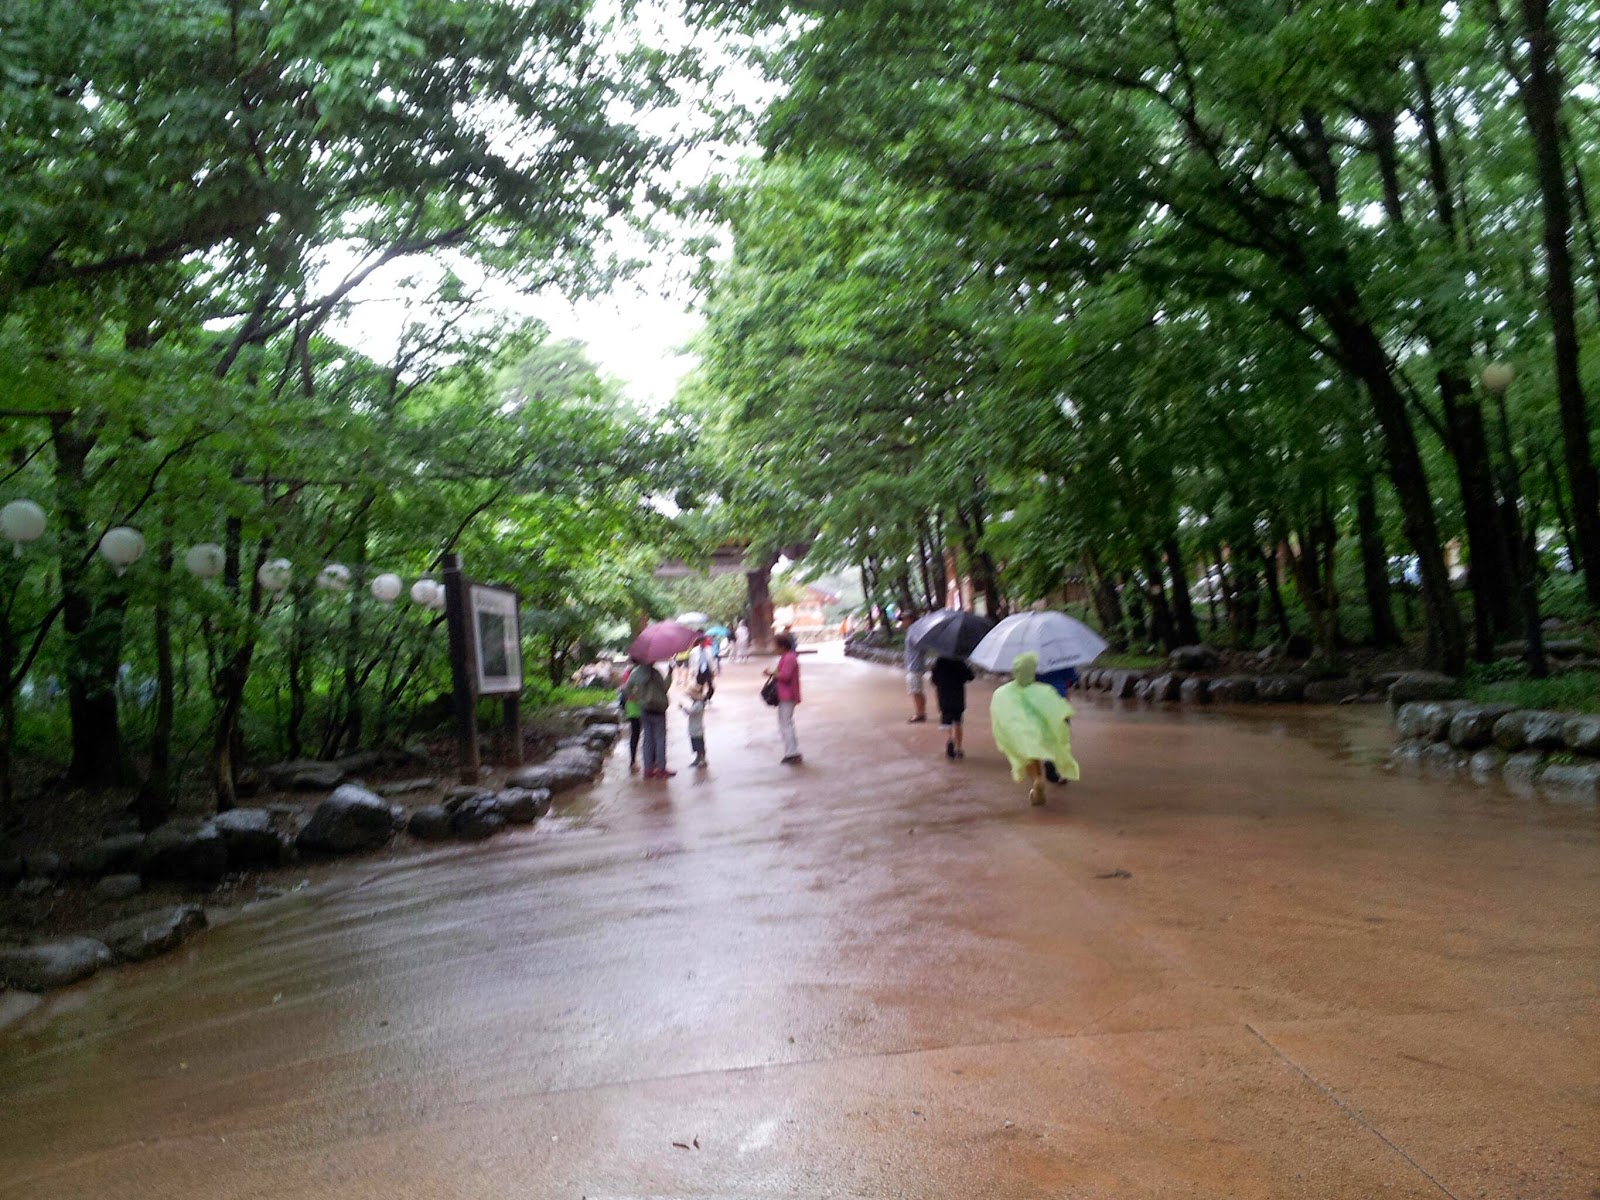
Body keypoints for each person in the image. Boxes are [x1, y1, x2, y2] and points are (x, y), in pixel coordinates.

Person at [990, 651, 1079, 806]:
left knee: (1032, 746)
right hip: (1056, 703)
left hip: (1033, 708)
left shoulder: (1027, 659)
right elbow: (1070, 682)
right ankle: (1057, 767)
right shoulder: (1062, 656)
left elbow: (1021, 681)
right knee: (1059, 738)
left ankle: (1037, 778)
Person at [624, 657, 674, 778]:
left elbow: (626, 690)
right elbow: (665, 688)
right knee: (660, 739)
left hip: (644, 709)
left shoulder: (635, 673)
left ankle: (648, 769)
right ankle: (661, 769)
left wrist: (638, 697)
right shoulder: (655, 673)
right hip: (658, 709)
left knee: (647, 739)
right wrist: (670, 673)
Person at [1036, 664, 1080, 783]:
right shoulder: (1064, 660)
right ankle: (1055, 765)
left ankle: (1048, 761)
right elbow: (1070, 681)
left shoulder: (1034, 661)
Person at [765, 631, 803, 764]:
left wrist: (772, 674)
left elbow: (785, 676)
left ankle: (792, 752)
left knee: (786, 723)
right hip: (785, 694)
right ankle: (792, 751)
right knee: (785, 723)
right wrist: (772, 672)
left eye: (774, 645)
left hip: (787, 695)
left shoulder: (789, 658)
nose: (773, 648)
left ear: (782, 646)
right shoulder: (787, 657)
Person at [930, 654, 975, 759]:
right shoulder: (960, 661)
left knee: (947, 720)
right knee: (958, 722)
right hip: (958, 697)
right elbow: (970, 677)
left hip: (944, 696)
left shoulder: (940, 661)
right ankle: (959, 748)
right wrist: (968, 667)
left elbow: (934, 680)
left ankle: (950, 739)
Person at [900, 611, 928, 723]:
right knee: (917, 690)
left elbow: (921, 646)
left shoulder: (915, 631)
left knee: (915, 690)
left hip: (914, 665)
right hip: (913, 664)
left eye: (904, 619)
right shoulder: (912, 631)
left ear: (910, 619)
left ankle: (920, 713)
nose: (902, 622)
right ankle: (921, 712)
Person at [618, 662, 643, 772]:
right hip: (637, 705)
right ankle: (636, 761)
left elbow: (624, 690)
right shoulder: (636, 673)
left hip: (631, 706)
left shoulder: (626, 673)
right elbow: (629, 691)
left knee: (635, 734)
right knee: (639, 734)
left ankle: (633, 761)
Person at [680, 683, 708, 767]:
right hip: (695, 728)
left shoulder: (698, 704)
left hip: (697, 729)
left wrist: (683, 708)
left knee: (699, 745)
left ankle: (702, 759)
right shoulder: (698, 703)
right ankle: (699, 758)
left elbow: (690, 712)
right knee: (696, 745)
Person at [691, 635, 716, 700]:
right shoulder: (694, 651)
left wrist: (713, 670)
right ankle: (699, 698)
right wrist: (692, 671)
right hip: (698, 668)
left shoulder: (709, 649)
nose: (702, 643)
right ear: (699, 642)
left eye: (704, 642)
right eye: (701, 642)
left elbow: (712, 660)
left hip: (707, 668)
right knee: (699, 685)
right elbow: (692, 661)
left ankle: (707, 697)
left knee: (710, 685)